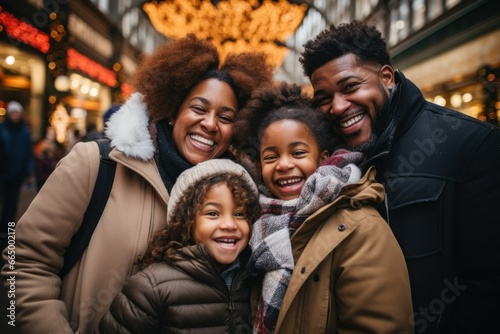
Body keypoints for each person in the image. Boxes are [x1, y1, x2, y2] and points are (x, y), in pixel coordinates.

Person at [1, 34, 274, 334]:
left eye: (225, 116)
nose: (210, 123)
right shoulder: (97, 164)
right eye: (198, 108)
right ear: (172, 110)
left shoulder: (238, 198)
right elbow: (21, 258)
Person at [299, 21, 500, 333]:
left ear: (386, 77)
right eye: (324, 97)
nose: (337, 107)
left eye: (350, 87)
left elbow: (488, 285)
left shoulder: (472, 144)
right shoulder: (330, 163)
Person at [233, 82, 413, 333]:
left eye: (297, 153)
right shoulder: (256, 227)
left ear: (323, 158)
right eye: (271, 157)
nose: (283, 165)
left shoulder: (361, 228)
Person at [99, 159, 260, 333]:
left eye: (239, 214)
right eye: (213, 213)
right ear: (186, 222)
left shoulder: (255, 278)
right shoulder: (151, 287)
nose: (229, 224)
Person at [0, 101, 34, 236]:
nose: (15, 116)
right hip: (2, 172)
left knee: (12, 204)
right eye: (12, 113)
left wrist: (29, 172)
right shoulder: (2, 129)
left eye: (17, 113)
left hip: (17, 174)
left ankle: (7, 231)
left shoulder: (25, 132)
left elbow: (28, 153)